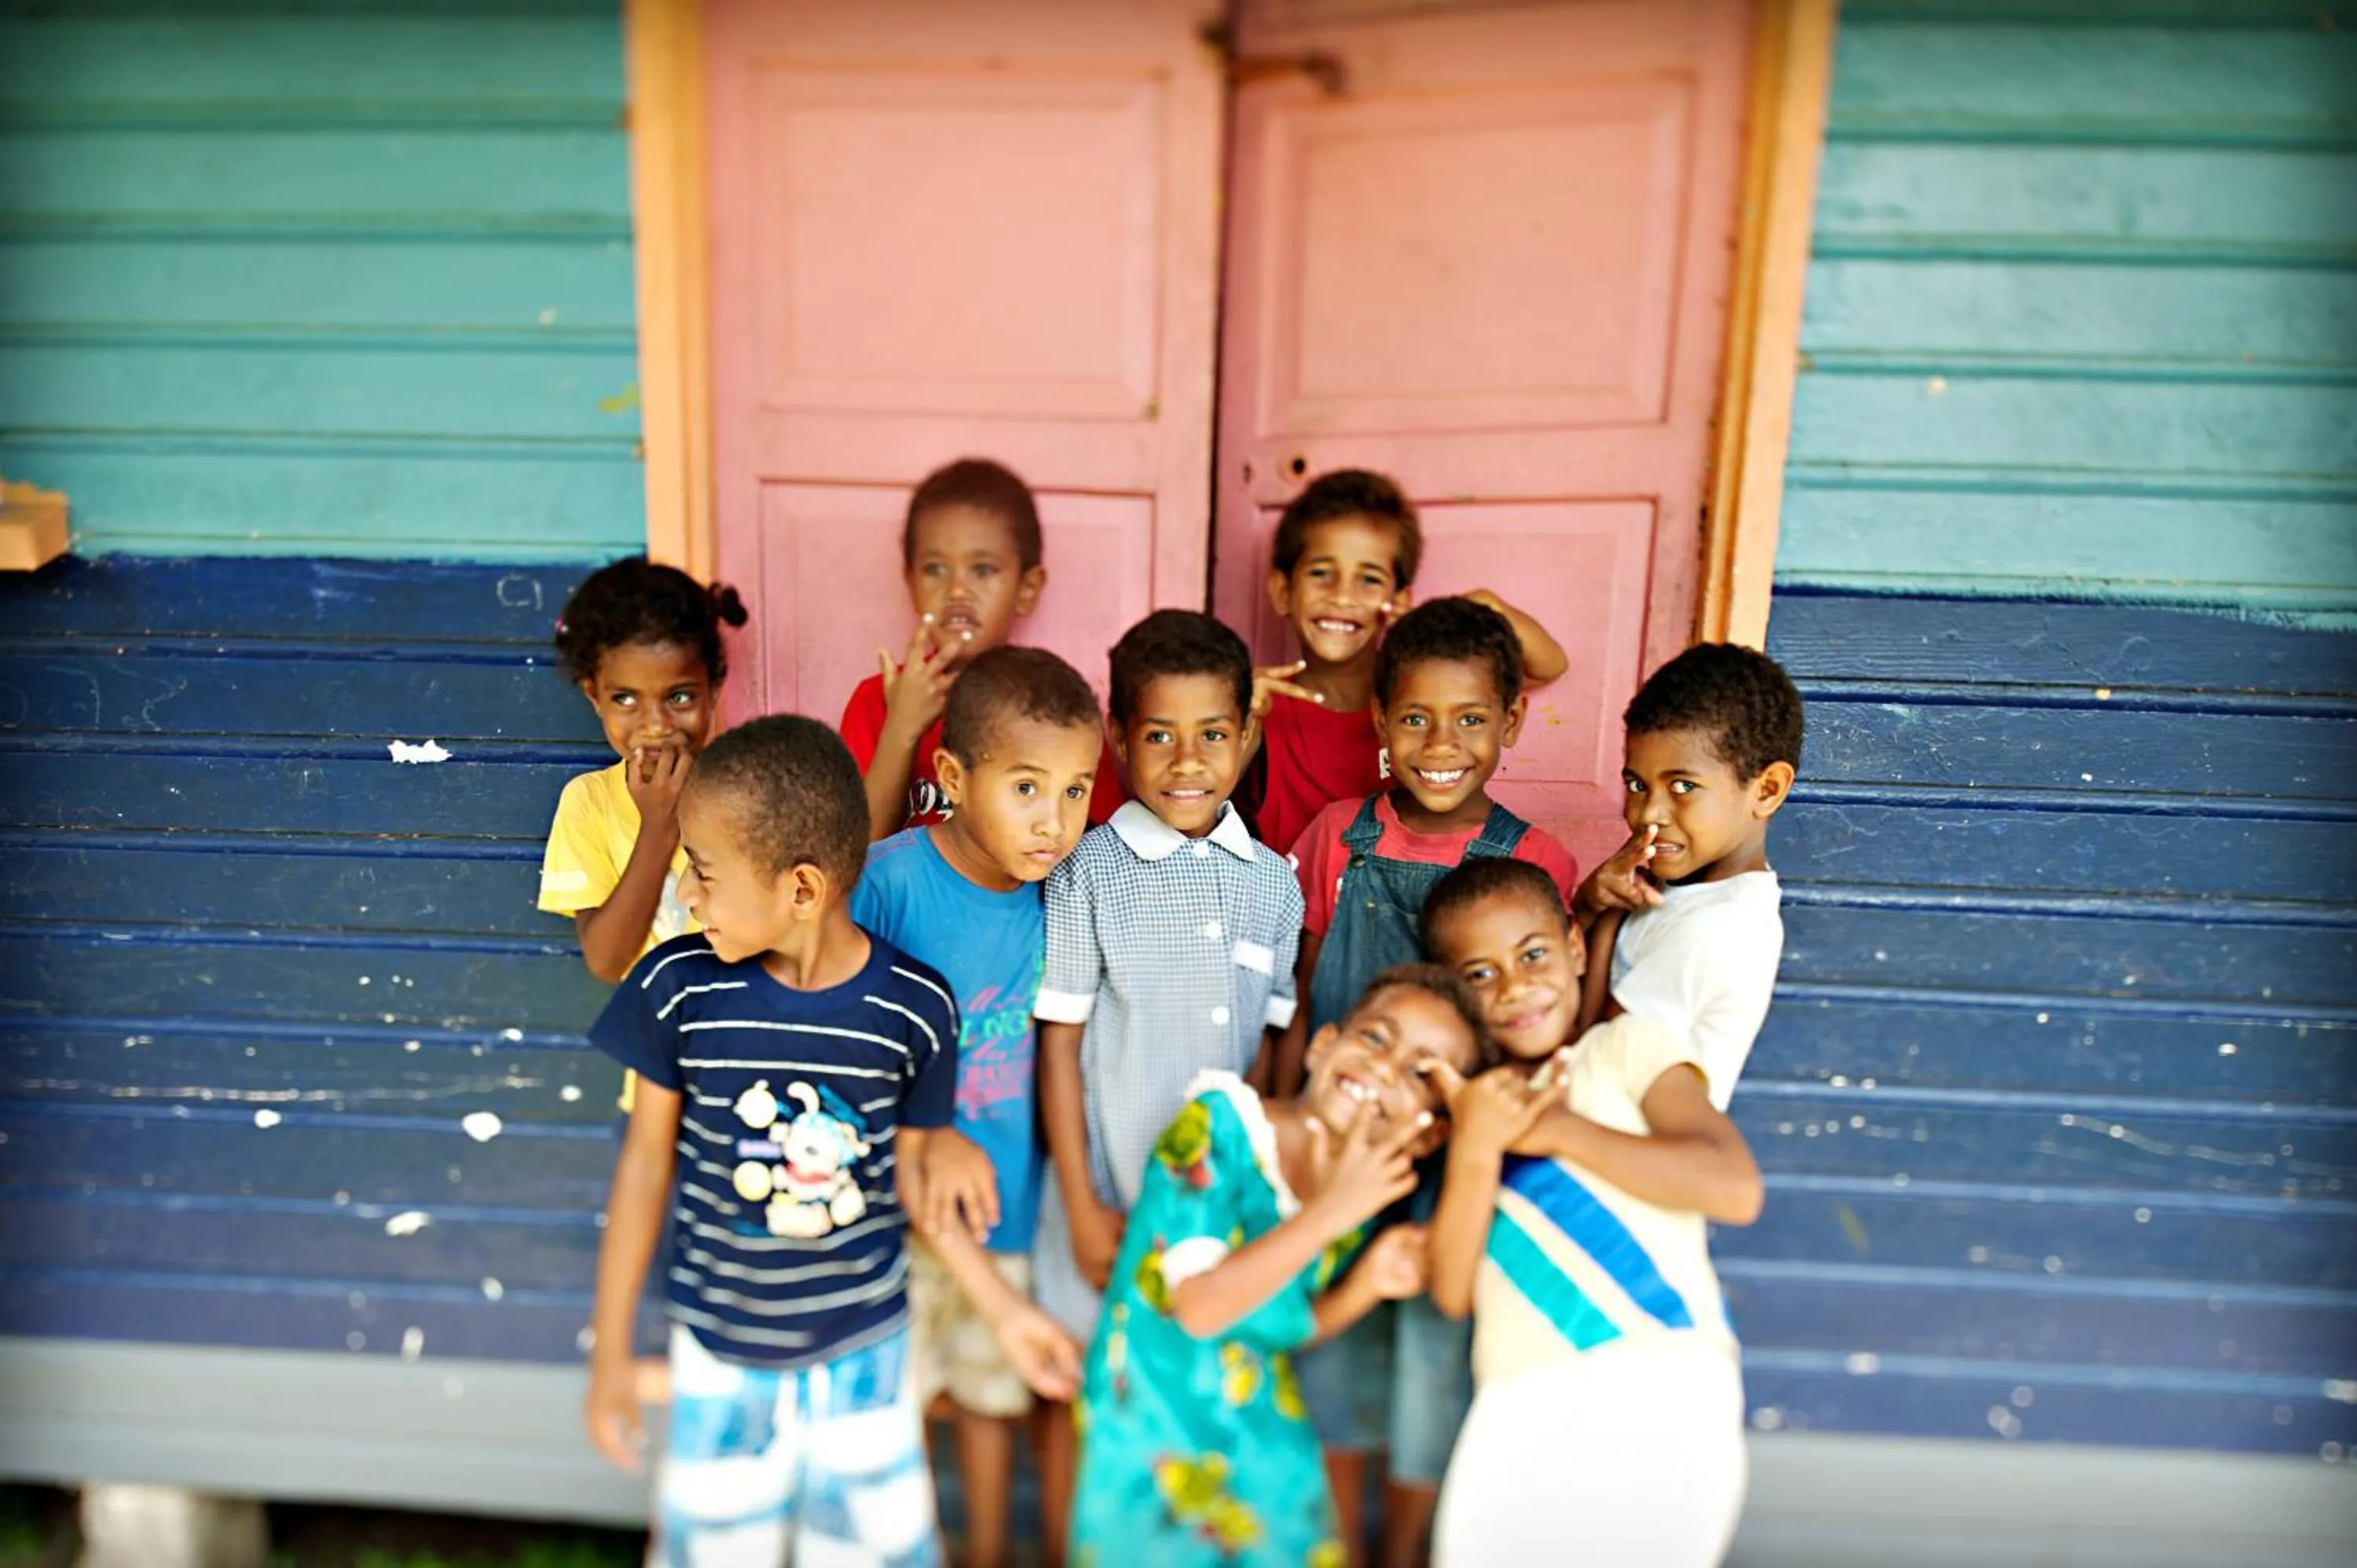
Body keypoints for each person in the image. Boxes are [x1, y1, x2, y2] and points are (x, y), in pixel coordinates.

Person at [580, 715, 1081, 1566]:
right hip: (720, 1353)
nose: (688, 896)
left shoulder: (913, 1011)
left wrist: (1006, 1311)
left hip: (867, 1359)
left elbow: (921, 1177)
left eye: (702, 871)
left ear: (802, 888)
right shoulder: (677, 986)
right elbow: (643, 1167)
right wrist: (611, 1351)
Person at [1281, 595, 1581, 1568]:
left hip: (1461, 1171)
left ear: (1513, 723)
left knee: (1429, 1376)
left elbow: (1555, 1008)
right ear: (1378, 720)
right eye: (1414, 717)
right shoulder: (1336, 836)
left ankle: (1404, 1551)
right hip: (1337, 1146)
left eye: (1470, 719)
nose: (1440, 742)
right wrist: (1287, 1118)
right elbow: (1303, 985)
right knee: (1328, 1357)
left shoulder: (1535, 859)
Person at [1031, 610, 1307, 1554]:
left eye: (1213, 735)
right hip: (1105, 1204)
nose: (1188, 761)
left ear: (1249, 735)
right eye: (1159, 735)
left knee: (1195, 1407)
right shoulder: (1088, 875)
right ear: (1119, 740)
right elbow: (1058, 1046)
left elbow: (1269, 1058)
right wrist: (1079, 1200)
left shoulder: (1275, 881)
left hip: (1210, 1225)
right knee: (1088, 1396)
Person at [1069, 966, 1490, 1567]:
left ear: (1429, 1136)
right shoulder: (1218, 1125)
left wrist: (1366, 1283)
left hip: (1256, 1418)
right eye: (1375, 1038)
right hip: (1150, 1424)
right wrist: (1328, 1214)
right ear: (1323, 1046)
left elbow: (1277, 1324)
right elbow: (1200, 1308)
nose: (1383, 1068)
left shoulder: (1360, 1190)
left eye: (1421, 1073)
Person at [1418, 857, 1763, 1568]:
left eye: (1534, 954)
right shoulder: (1476, 1112)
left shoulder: (1626, 1050)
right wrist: (1479, 1148)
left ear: (1576, 948)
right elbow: (1450, 1292)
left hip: (1663, 1382)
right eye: (1479, 975)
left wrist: (1561, 1133)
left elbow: (1734, 1188)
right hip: (1519, 1404)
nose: (1514, 987)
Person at [849, 647, 1105, 1568]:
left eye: (1077, 791)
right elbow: (842, 1047)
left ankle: (990, 1551)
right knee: (899, 1404)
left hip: (1007, 1206)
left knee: (996, 1401)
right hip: (889, 1215)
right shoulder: (884, 885)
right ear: (953, 777)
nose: (1056, 822)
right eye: (1028, 788)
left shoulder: (1064, 899)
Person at [540, 557, 747, 1401]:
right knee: (689, 1297)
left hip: (756, 1077)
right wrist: (658, 825)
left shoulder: (745, 784)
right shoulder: (589, 807)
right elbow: (604, 955)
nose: (655, 723)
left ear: (715, 686)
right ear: (593, 694)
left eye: (681, 697)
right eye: (626, 699)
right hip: (656, 1100)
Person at [1238, 469, 1567, 859]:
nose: (1344, 597)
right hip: (1307, 915)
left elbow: (1551, 663)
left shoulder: (1422, 689)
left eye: (1370, 580)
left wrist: (1482, 604)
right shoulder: (1265, 703)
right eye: (1322, 574)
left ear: (1399, 598)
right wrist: (1238, 719)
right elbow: (1197, 805)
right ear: (1282, 592)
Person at [838, 457, 1123, 841]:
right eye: (936, 569)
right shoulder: (877, 701)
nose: (957, 591)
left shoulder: (1056, 707)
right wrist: (901, 731)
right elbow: (852, 856)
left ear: (1027, 589)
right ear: (910, 581)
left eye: (983, 570)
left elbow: (1101, 850)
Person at [1571, 643, 1802, 1105]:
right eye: (1637, 785)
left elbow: (1591, 1060)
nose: (1649, 814)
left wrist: (1605, 921)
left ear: (1767, 790)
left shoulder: (1718, 929)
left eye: (1683, 787)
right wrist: (1592, 906)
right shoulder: (1682, 892)